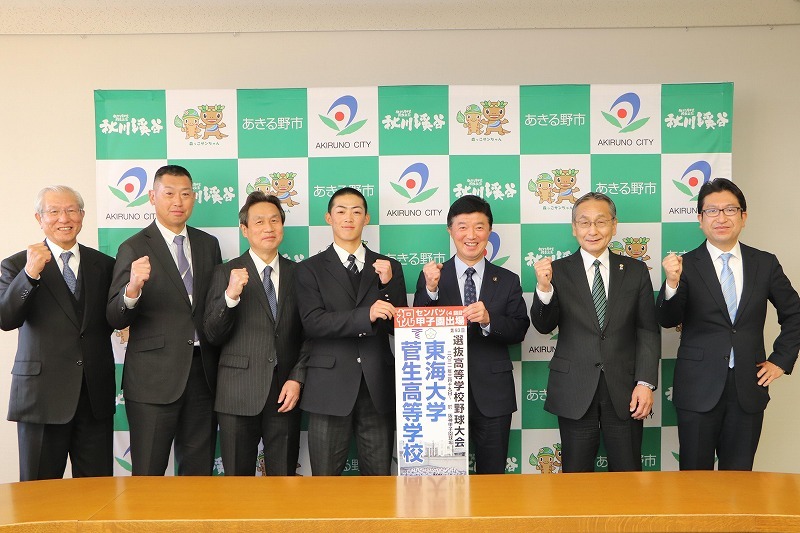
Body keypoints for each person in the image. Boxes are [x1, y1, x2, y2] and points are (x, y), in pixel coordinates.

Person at [657, 178, 800, 470]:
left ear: (743, 217)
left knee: (739, 479)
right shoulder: (684, 266)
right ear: (700, 219)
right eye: (712, 211)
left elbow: (795, 313)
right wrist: (671, 283)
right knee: (695, 478)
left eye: (730, 210)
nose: (721, 218)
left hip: (748, 387)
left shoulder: (765, 263)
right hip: (697, 388)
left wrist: (781, 360)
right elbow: (667, 319)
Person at [530, 192, 660, 472]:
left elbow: (648, 331)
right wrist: (543, 288)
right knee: (576, 477)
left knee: (627, 474)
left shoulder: (635, 270)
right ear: (574, 227)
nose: (593, 230)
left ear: (614, 225)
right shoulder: (556, 271)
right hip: (574, 388)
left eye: (601, 222)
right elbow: (543, 326)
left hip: (625, 390)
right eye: (584, 222)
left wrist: (645, 383)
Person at [106, 165, 222, 476]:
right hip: (152, 380)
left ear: (194, 198)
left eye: (185, 194)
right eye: (169, 193)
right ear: (152, 197)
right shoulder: (133, 247)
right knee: (148, 473)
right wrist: (132, 288)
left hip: (202, 375)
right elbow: (115, 316)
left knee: (198, 474)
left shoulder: (208, 244)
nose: (177, 201)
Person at [0, 186, 115, 481]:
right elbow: (6, 318)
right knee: (38, 494)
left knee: (97, 493)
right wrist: (30, 274)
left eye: (71, 210)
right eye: (54, 211)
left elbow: (113, 319)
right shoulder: (16, 265)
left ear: (82, 215)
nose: (64, 218)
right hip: (41, 398)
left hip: (94, 398)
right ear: (39, 218)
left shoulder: (104, 265)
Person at [413, 195, 529, 474]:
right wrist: (430, 291)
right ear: (450, 230)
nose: (471, 235)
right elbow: (417, 329)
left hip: (493, 395)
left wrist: (489, 320)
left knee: (492, 478)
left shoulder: (507, 279)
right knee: (442, 479)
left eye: (479, 227)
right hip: (441, 395)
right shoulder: (432, 277)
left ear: (489, 231)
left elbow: (519, 330)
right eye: (462, 227)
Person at [295, 187, 406, 476]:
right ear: (328, 218)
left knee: (379, 480)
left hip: (377, 387)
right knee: (325, 482)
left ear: (366, 218)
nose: (348, 218)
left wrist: (387, 286)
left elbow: (400, 326)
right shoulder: (309, 269)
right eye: (341, 211)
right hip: (329, 388)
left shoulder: (388, 267)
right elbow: (313, 323)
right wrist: (365, 315)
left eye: (356, 212)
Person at [204, 192, 308, 476]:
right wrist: (230, 297)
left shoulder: (300, 274)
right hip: (237, 393)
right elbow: (212, 334)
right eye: (259, 221)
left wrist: (297, 378)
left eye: (275, 220)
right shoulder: (225, 273)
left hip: (285, 393)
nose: (268, 228)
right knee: (238, 483)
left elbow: (310, 334)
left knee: (284, 480)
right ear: (245, 229)